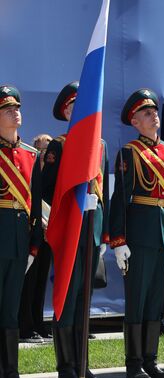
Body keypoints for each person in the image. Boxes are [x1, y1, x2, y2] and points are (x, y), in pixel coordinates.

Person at [110, 88, 164, 378]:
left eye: (154, 112)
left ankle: (151, 361)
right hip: (138, 237)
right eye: (146, 114)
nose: (153, 117)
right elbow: (120, 199)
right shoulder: (129, 152)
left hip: (163, 237)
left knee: (155, 302)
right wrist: (118, 240)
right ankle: (133, 363)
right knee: (137, 302)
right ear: (135, 122)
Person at [42, 81, 110, 378]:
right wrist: (71, 205)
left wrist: (103, 233)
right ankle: (66, 365)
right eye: (77, 105)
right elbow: (46, 192)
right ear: (68, 110)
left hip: (92, 232)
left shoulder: (101, 145)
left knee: (84, 300)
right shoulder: (60, 145)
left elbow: (103, 192)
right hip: (70, 229)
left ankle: (83, 362)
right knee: (67, 300)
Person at [0, 85, 42, 378]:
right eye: (7, 109)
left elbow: (36, 206)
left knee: (11, 308)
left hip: (19, 241)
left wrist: (34, 246)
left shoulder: (31, 155)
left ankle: (10, 369)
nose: (16, 112)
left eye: (17, 108)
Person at [19, 134, 53, 344]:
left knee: (41, 279)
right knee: (28, 281)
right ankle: (26, 324)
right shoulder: (28, 166)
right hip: (32, 229)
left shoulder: (51, 173)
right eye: (41, 150)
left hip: (48, 231)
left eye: (48, 151)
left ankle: (39, 323)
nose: (44, 155)